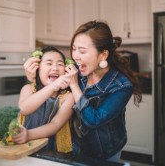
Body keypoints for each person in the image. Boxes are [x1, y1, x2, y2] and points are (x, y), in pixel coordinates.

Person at [23, 20, 142, 163]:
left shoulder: (122, 86)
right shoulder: (78, 71)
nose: (75, 56)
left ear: (103, 55)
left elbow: (94, 120)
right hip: (75, 148)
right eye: (74, 49)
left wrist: (74, 85)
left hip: (104, 152)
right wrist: (33, 78)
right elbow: (52, 87)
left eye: (82, 51)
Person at [12, 46, 75, 154]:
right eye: (49, 63)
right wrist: (53, 86)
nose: (55, 68)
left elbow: (55, 124)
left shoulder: (69, 97)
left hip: (53, 151)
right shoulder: (28, 89)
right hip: (24, 148)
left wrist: (28, 135)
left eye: (60, 64)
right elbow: (23, 109)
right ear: (38, 68)